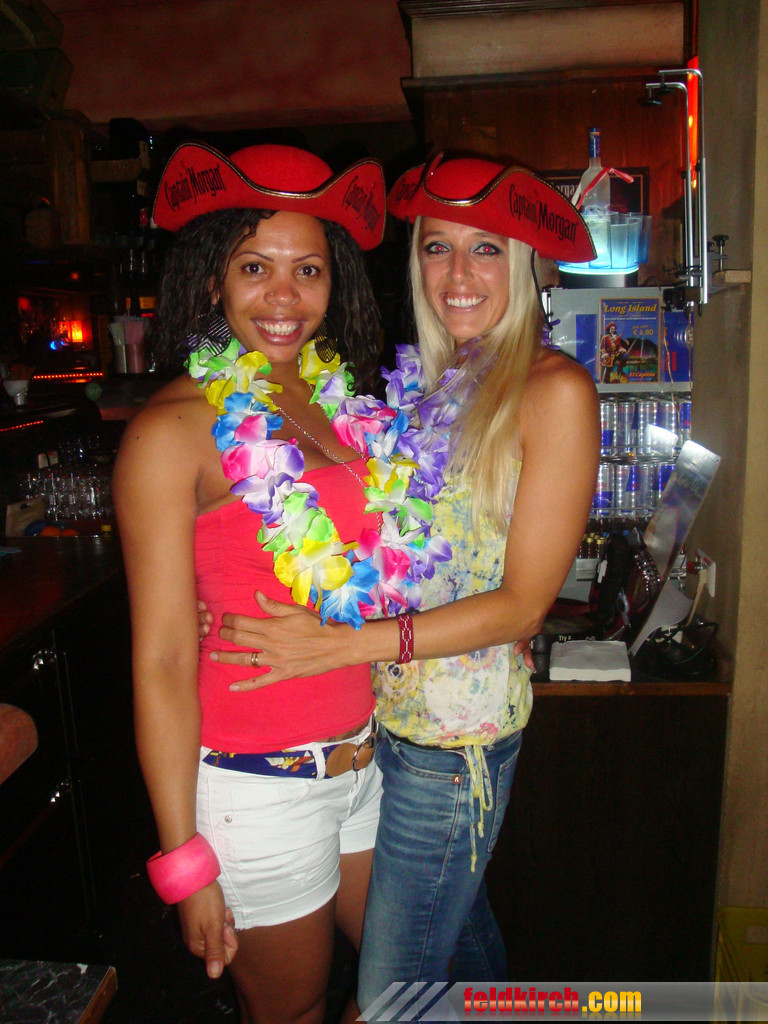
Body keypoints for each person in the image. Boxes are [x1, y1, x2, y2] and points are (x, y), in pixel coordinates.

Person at [198, 153, 601, 1014]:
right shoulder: (430, 386)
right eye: (436, 247)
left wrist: (340, 645)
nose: (458, 274)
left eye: (486, 249)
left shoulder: (553, 388)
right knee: (462, 949)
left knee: (390, 996)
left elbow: (524, 605)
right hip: (387, 733)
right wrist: (222, 591)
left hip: (456, 748)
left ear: (527, 265)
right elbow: (367, 537)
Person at [110, 140, 434, 1024]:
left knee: (405, 991)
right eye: (256, 268)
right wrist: (185, 862)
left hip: (367, 766)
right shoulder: (172, 431)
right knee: (293, 1012)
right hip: (257, 787)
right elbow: (163, 661)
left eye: (308, 270)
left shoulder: (343, 405)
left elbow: (386, 561)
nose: (284, 297)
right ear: (213, 279)